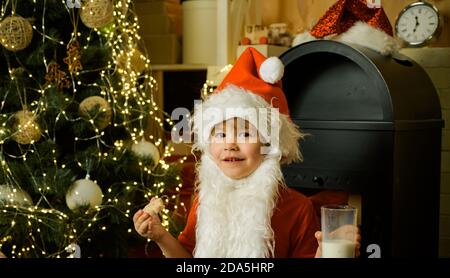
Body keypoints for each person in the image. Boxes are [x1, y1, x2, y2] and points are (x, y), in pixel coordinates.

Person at [133, 47, 360, 258]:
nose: (230, 145)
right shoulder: (206, 201)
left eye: (244, 134)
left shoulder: (297, 208)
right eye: (220, 135)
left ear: (270, 144)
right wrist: (160, 236)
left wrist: (325, 252)